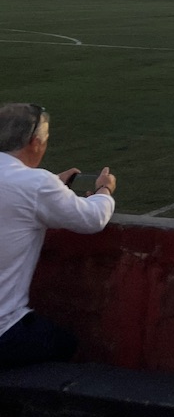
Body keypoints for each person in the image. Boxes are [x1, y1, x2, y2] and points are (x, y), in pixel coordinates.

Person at [0, 103, 118, 369]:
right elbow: (92, 218)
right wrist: (104, 190)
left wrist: (54, 184)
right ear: (35, 142)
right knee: (66, 344)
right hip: (4, 332)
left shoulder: (36, 184)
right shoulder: (36, 184)